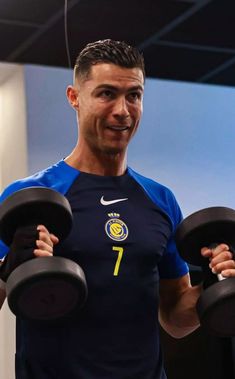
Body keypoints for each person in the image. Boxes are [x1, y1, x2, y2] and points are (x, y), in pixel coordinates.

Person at [0, 39, 235, 379]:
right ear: (74, 98)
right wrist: (8, 270)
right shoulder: (32, 195)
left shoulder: (160, 199)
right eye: (106, 93)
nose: (123, 110)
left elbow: (175, 320)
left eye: (134, 95)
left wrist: (210, 288)